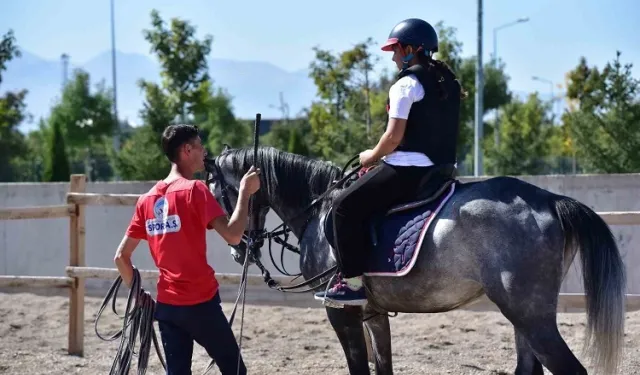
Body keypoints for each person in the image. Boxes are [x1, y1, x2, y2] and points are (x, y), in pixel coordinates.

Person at [314, 18, 464, 306]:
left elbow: (393, 137)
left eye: (396, 50)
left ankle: (352, 283)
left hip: (408, 171)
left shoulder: (406, 84)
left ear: (410, 49)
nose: (394, 57)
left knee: (342, 207)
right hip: (442, 171)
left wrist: (371, 156)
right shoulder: (448, 81)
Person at [113, 124, 260, 374]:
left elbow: (121, 258)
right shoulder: (195, 190)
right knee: (235, 370)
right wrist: (246, 192)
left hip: (168, 308)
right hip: (201, 304)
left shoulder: (146, 200)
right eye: (200, 145)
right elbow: (234, 236)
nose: (204, 151)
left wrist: (139, 296)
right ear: (187, 149)